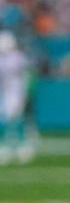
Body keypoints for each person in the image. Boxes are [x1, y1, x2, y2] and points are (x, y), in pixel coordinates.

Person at [0, 31, 37, 165]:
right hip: (7, 92)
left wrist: (27, 89)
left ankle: (23, 145)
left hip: (17, 92)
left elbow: (28, 72)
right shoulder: (5, 58)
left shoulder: (17, 57)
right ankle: (11, 145)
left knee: (15, 117)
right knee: (9, 119)